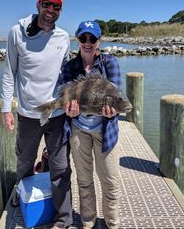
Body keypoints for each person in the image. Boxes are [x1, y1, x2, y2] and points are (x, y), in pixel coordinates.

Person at [1, 0, 72, 229]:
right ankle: (23, 197)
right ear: (37, 4)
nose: (50, 10)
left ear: (61, 10)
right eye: (47, 4)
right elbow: (9, 72)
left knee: (61, 167)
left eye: (56, 6)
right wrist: (6, 109)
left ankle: (63, 219)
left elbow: (67, 76)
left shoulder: (64, 37)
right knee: (24, 162)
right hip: (29, 114)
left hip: (58, 114)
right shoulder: (16, 33)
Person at [63, 21, 122, 229]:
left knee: (111, 182)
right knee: (84, 180)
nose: (88, 43)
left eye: (92, 39)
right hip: (79, 130)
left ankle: (111, 223)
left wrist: (113, 109)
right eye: (83, 38)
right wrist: (68, 108)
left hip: (106, 132)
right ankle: (88, 222)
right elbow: (65, 94)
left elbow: (116, 95)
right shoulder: (70, 67)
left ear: (99, 41)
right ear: (77, 40)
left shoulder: (110, 63)